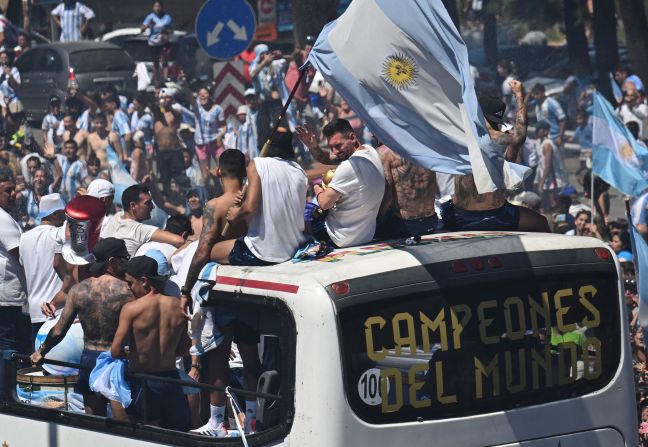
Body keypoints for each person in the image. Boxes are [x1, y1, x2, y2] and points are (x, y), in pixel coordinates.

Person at [30, 238, 133, 416]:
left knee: (93, 418)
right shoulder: (128, 291)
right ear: (112, 261)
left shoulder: (79, 290)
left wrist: (41, 351)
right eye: (125, 257)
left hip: (89, 359)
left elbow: (59, 329)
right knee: (124, 421)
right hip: (118, 360)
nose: (128, 261)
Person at [111, 256, 191, 432]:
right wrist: (166, 353)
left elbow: (115, 351)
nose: (128, 288)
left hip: (144, 381)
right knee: (177, 434)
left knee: (145, 434)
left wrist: (134, 354)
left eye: (130, 283)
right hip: (171, 380)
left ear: (144, 281)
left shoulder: (132, 309)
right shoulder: (179, 306)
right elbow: (185, 348)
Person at [210, 131, 307, 265]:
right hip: (293, 247)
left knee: (212, 251)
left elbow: (250, 208)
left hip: (263, 252)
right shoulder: (299, 170)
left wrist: (236, 214)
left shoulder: (258, 164)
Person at [296, 119, 385, 247]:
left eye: (338, 146)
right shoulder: (369, 151)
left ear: (352, 137)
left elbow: (324, 204)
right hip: (366, 234)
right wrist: (313, 147)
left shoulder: (348, 166)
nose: (335, 152)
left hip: (338, 237)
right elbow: (326, 158)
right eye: (331, 147)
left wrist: (317, 186)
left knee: (301, 219)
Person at [19, 194, 68, 341]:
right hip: (56, 310)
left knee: (38, 357)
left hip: (35, 310)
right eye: (62, 213)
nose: (65, 217)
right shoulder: (57, 234)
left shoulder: (24, 238)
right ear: (55, 214)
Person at [101, 184, 185, 257]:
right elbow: (179, 241)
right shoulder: (140, 229)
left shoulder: (115, 217)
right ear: (133, 205)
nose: (152, 207)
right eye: (148, 203)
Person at [376, 145, 438, 238]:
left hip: (403, 226)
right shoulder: (427, 146)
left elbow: (387, 198)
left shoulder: (384, 153)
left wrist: (377, 220)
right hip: (430, 222)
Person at [0, 169, 29, 359]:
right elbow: (20, 253)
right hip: (7, 292)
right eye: (7, 191)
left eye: (14, 190)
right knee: (8, 342)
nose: (13, 194)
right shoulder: (2, 218)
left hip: (6, 292)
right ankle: (6, 388)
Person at [177, 83, 226, 192]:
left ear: (210, 95)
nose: (202, 96)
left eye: (205, 94)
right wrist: (185, 83)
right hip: (201, 145)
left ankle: (226, 193)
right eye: (200, 94)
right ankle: (208, 196)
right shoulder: (197, 108)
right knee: (205, 174)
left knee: (223, 170)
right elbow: (190, 97)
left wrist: (220, 135)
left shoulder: (217, 109)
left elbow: (224, 126)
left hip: (215, 143)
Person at [535, 120, 566, 213]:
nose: (536, 131)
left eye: (538, 129)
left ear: (545, 131)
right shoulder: (540, 143)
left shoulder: (547, 145)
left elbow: (548, 166)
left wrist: (541, 182)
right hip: (548, 182)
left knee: (554, 207)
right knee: (547, 208)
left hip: (553, 182)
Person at [141, 1, 173, 82]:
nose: (157, 8)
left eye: (159, 6)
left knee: (164, 61)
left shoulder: (167, 17)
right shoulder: (150, 17)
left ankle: (165, 79)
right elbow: (142, 28)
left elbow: (171, 30)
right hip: (153, 43)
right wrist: (147, 25)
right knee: (156, 62)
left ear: (162, 7)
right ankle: (156, 80)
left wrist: (164, 31)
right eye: (155, 6)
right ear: (153, 8)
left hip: (164, 41)